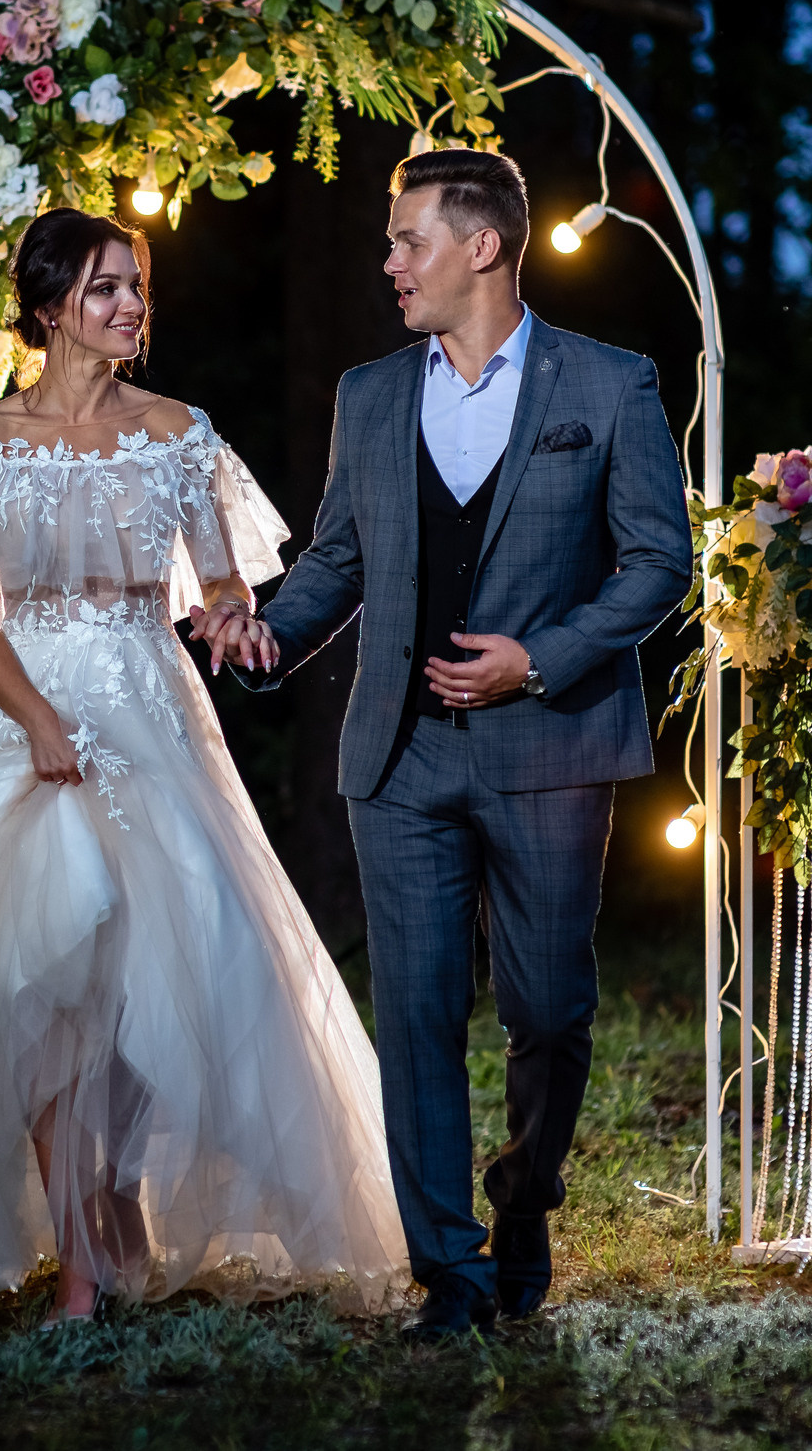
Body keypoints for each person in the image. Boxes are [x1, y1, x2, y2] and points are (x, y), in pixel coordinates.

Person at [0, 207, 410, 1328]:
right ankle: (84, 1257)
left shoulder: (178, 431)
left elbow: (222, 579)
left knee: (154, 967)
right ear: (48, 309)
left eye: (134, 286)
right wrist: (39, 719)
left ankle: (118, 1202)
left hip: (149, 706)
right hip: (22, 711)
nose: (130, 306)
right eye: (102, 289)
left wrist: (235, 615)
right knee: (38, 983)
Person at [203, 149, 693, 1340]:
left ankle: (522, 1200)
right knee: (415, 1009)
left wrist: (541, 655)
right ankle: (449, 1272)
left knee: (549, 1006)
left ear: (482, 245)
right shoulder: (370, 393)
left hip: (551, 744)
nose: (388, 263)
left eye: (406, 239)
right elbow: (338, 559)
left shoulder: (609, 382)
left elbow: (658, 564)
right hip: (403, 755)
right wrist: (268, 629)